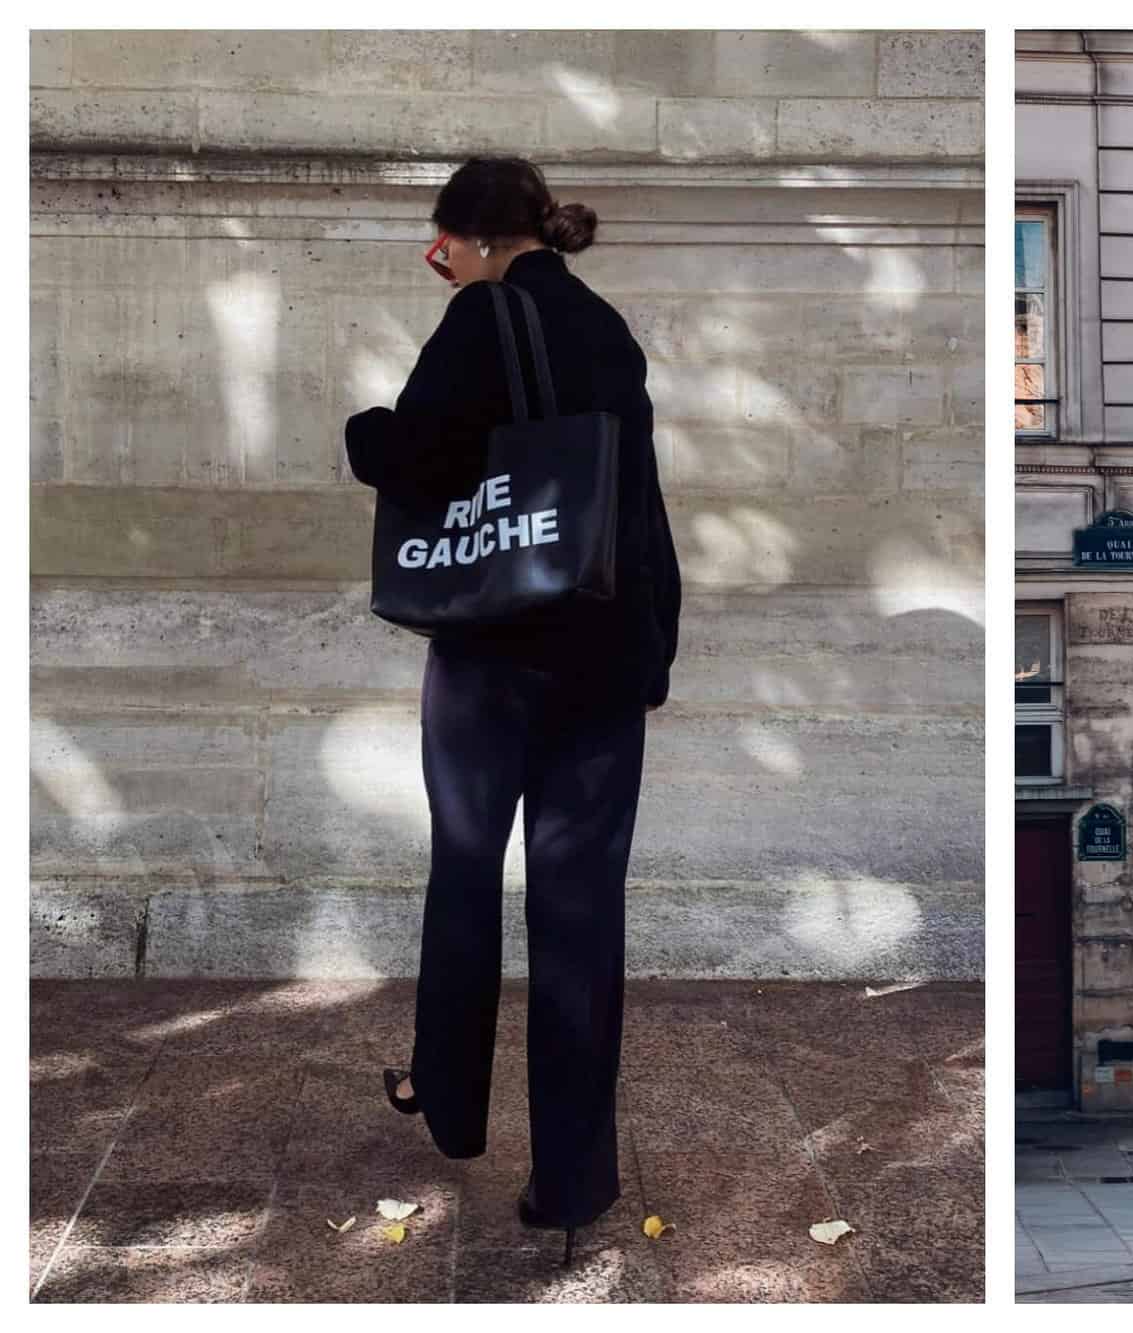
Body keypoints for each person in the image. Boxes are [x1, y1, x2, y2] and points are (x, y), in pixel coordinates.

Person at [346, 157, 681, 1264]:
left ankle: (448, 1100)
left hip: (493, 651)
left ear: (469, 237)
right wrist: (651, 651)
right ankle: (572, 1179)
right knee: (582, 915)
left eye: (441, 241)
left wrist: (361, 431)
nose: (438, 259)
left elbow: (417, 456)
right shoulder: (606, 327)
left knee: (464, 867)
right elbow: (641, 504)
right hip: (601, 655)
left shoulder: (479, 319)